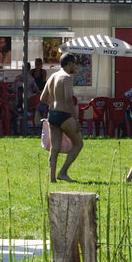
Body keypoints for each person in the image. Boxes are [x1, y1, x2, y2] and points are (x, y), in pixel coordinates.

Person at [40, 54, 86, 183]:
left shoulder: (52, 77)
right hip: (64, 115)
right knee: (78, 143)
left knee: (54, 149)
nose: (75, 66)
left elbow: (42, 98)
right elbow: (68, 100)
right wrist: (76, 120)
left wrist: (53, 102)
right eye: (74, 64)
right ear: (69, 64)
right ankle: (63, 172)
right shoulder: (66, 78)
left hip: (52, 114)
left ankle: (52, 179)